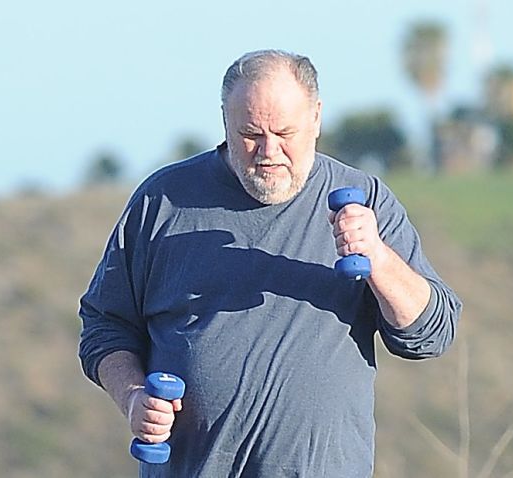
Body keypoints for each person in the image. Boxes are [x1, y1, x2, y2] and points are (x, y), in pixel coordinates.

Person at [78, 49, 462, 477]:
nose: (269, 152)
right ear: (224, 120)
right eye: (250, 134)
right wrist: (134, 397)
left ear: (316, 118)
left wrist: (377, 257)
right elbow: (104, 325)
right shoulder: (162, 200)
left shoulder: (365, 200)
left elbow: (431, 334)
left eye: (284, 132)